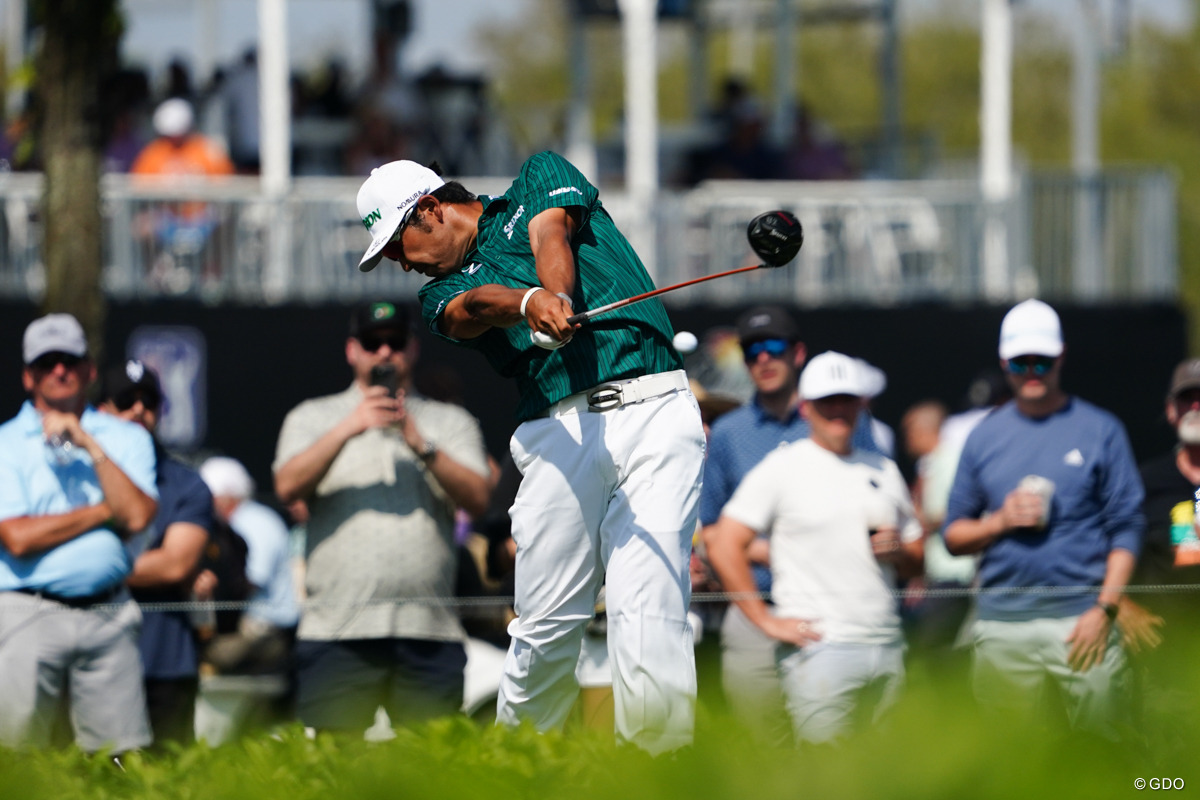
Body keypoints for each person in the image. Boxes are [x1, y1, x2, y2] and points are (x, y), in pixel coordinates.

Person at [355, 152, 706, 755]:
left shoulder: (539, 176)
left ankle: (657, 774)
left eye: (398, 246)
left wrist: (555, 294)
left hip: (655, 409)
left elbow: (550, 231)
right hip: (556, 433)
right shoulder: (441, 295)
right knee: (545, 624)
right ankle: (518, 771)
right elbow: (476, 308)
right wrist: (527, 305)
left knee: (648, 607)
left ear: (431, 209)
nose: (401, 264)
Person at [273, 302, 492, 733]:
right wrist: (349, 426)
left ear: (412, 349)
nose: (385, 353)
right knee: (333, 773)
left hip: (428, 631)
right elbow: (286, 486)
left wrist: (420, 442)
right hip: (337, 629)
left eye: (395, 342)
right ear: (353, 350)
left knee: (433, 772)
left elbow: (480, 499)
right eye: (373, 343)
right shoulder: (312, 416)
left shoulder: (449, 421)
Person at [943, 299, 1144, 740]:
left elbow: (1126, 527)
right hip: (1002, 623)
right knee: (1010, 757)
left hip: (1081, 620)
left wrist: (1104, 609)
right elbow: (953, 535)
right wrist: (998, 522)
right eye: (1021, 362)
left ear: (1061, 357)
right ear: (1004, 362)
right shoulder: (983, 436)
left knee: (1105, 746)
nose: (1032, 372)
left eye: (1042, 361)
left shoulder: (1100, 429)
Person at [706, 351, 923, 745]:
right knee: (827, 776)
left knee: (890, 774)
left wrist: (900, 554)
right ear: (806, 408)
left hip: (887, 642)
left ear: (861, 404)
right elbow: (723, 543)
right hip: (821, 649)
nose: (838, 410)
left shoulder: (883, 468)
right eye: (827, 402)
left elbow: (917, 558)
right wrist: (765, 620)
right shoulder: (782, 467)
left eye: (847, 400)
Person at [0, 314, 159, 753]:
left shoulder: (125, 437)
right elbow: (17, 538)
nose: (60, 371)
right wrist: (106, 511)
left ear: (89, 369)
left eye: (69, 360)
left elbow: (139, 518)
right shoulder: (5, 443)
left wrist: (90, 444)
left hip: (108, 612)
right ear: (28, 376)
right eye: (47, 362)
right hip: (26, 611)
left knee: (121, 761)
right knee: (15, 758)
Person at [97, 359, 214, 747]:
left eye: (148, 402)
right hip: (88, 659)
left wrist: (85, 566)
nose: (138, 411)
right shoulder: (77, 475)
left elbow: (175, 563)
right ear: (100, 409)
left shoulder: (185, 483)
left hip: (163, 662)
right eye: (125, 400)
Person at [199, 457, 299, 675]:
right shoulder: (236, 522)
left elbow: (251, 582)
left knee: (204, 653)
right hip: (251, 624)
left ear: (226, 498)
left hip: (267, 629)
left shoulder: (255, 522)